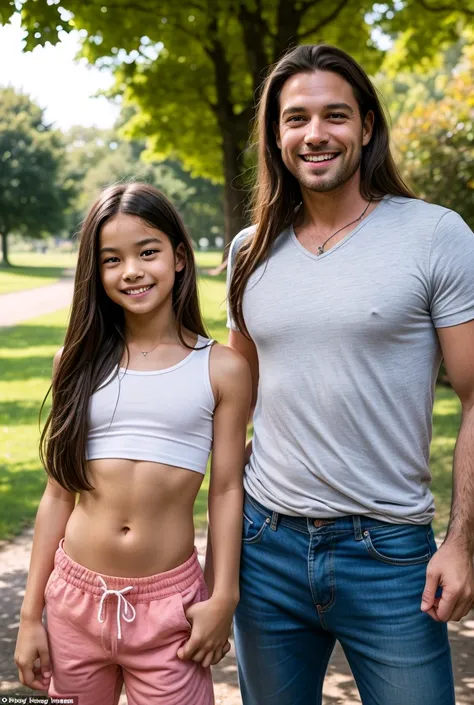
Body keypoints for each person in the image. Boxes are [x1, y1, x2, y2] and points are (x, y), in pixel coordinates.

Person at [226, 44, 474, 705]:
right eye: (295, 118)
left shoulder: (435, 235)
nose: (315, 134)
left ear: (366, 125)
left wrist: (463, 541)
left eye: (334, 115)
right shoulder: (247, 252)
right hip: (265, 544)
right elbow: (232, 401)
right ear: (276, 136)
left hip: (390, 552)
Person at [14, 182, 251, 705]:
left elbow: (228, 490)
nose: (132, 271)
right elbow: (58, 494)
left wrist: (222, 596)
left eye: (148, 252)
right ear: (95, 273)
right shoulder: (75, 364)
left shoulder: (221, 369)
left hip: (169, 609)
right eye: (111, 260)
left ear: (180, 258)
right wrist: (32, 617)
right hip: (74, 601)